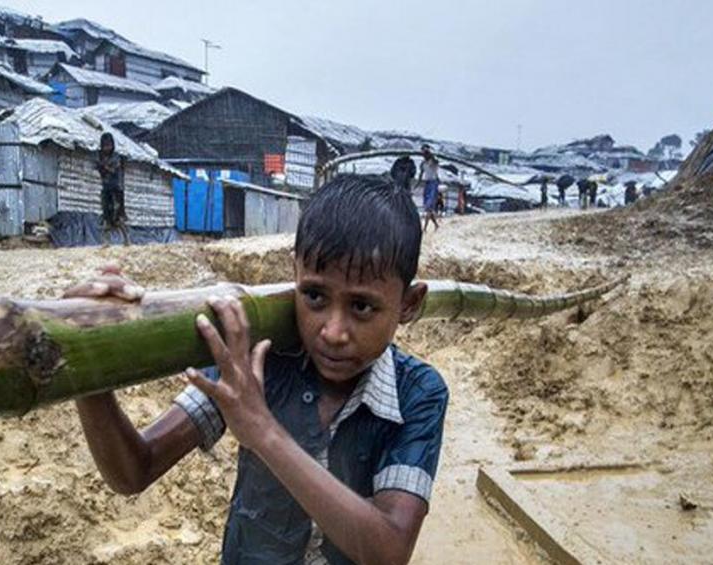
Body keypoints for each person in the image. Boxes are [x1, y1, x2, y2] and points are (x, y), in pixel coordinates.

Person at [69, 175, 449, 565]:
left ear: (409, 303)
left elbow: (389, 550)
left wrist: (263, 430)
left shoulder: (419, 393)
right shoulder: (256, 359)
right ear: (295, 276)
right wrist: (87, 362)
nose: (333, 333)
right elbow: (134, 470)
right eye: (315, 296)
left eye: (362, 307)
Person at [96, 132, 129, 245]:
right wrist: (102, 167)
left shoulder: (116, 157)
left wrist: (104, 166)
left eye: (108, 145)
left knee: (117, 216)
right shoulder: (100, 156)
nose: (106, 148)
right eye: (105, 145)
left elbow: (113, 170)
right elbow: (101, 171)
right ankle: (106, 241)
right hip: (106, 189)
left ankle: (126, 239)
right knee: (106, 215)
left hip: (116, 190)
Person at [416, 145, 441, 232]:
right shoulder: (423, 163)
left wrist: (429, 153)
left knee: (429, 206)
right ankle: (436, 225)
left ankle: (425, 228)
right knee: (427, 208)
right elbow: (421, 174)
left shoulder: (433, 161)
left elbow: (436, 161)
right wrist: (418, 183)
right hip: (427, 183)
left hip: (433, 183)